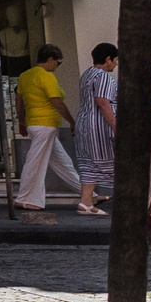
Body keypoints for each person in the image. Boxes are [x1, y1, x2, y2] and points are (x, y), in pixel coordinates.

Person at [13, 44, 93, 215]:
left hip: (35, 124)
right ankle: (26, 198)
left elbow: (18, 101)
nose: (58, 66)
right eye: (58, 62)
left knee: (63, 162)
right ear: (50, 60)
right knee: (36, 162)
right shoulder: (47, 76)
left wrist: (21, 120)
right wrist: (72, 121)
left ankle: (88, 194)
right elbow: (57, 101)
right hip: (46, 125)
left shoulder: (25, 76)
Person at [76, 42, 119, 213]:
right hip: (99, 126)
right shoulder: (103, 76)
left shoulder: (87, 74)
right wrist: (115, 126)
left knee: (89, 164)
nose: (116, 64)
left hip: (84, 122)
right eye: (115, 60)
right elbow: (102, 102)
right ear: (108, 59)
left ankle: (86, 201)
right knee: (106, 161)